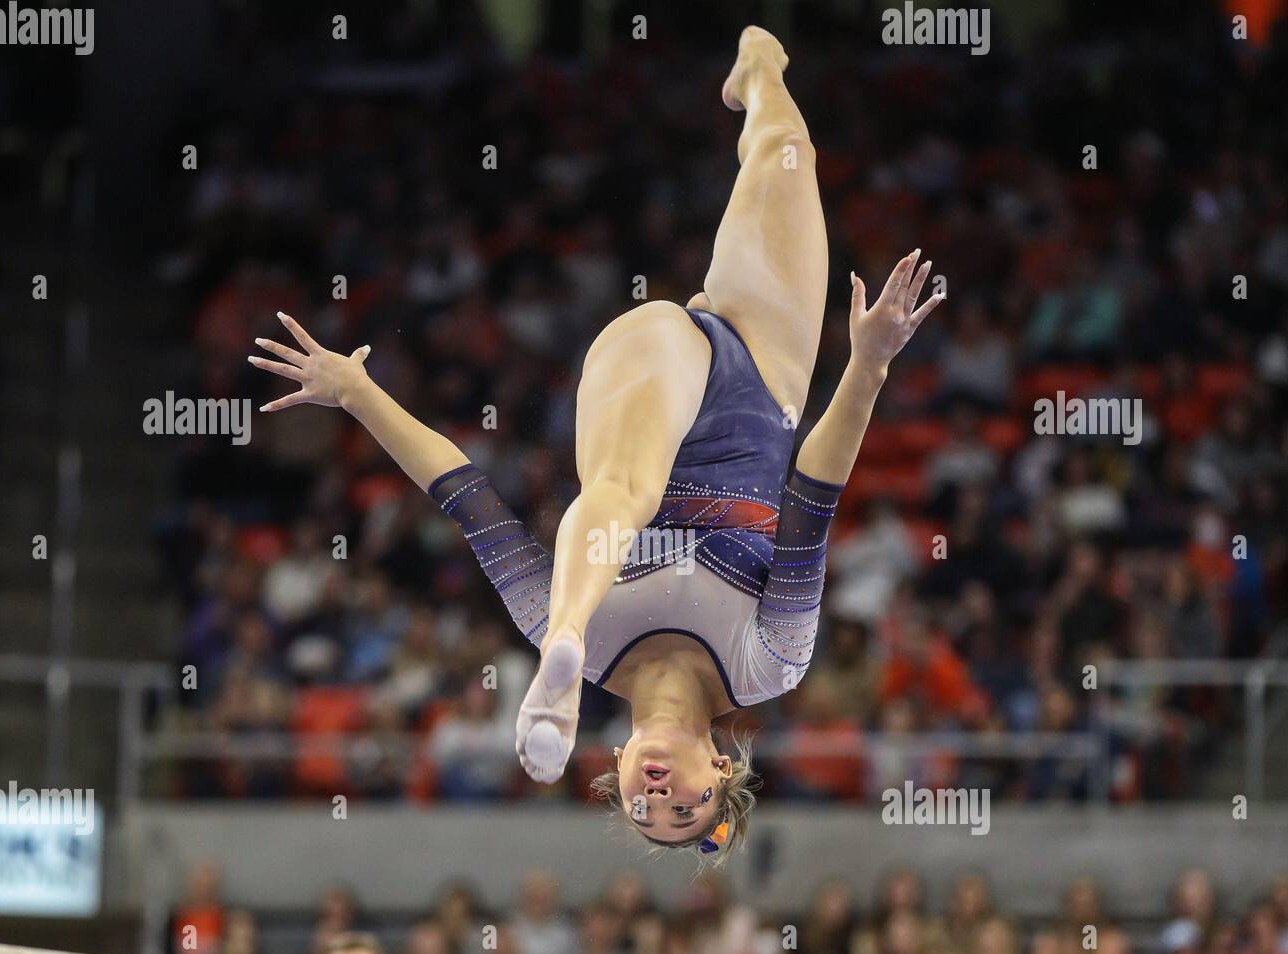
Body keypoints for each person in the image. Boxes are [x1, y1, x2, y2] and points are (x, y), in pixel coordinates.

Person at [248, 27, 943, 861]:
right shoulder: (771, 662)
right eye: (686, 809)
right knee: (788, 147)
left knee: (622, 493)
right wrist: (867, 364)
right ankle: (760, 66)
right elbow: (813, 496)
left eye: (643, 811)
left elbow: (470, 501)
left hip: (653, 391)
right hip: (766, 384)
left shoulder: (584, 633)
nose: (658, 800)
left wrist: (358, 394)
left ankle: (564, 657)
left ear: (613, 763)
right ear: (722, 767)